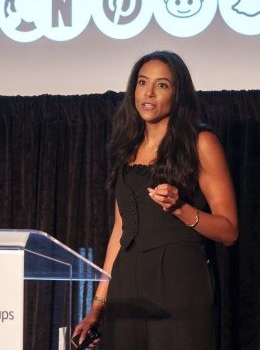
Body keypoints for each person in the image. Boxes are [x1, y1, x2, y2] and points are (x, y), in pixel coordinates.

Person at [72, 51, 239, 349]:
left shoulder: (201, 143)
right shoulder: (128, 149)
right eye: (142, 82)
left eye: (162, 85)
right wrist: (97, 306)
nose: (148, 92)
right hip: (127, 288)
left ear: (178, 94)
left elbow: (229, 231)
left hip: (179, 283)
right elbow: (119, 234)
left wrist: (181, 208)